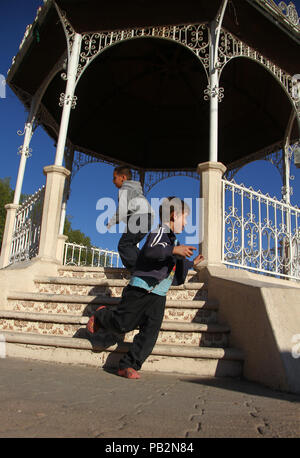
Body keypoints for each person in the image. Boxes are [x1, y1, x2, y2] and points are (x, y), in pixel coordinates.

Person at [87, 196, 204, 379]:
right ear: (173, 215)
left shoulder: (174, 243)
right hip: (140, 290)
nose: (187, 222)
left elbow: (173, 265)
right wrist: (173, 251)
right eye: (186, 217)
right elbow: (151, 251)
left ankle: (128, 364)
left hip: (158, 296)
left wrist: (190, 264)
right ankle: (102, 316)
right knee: (123, 324)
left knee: (149, 334)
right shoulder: (159, 233)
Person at [106, 166, 154, 273]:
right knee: (130, 245)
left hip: (139, 216)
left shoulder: (124, 189)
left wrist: (111, 222)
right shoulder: (135, 189)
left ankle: (139, 273)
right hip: (149, 217)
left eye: (114, 178)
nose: (113, 181)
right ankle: (147, 265)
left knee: (123, 245)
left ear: (123, 177)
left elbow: (121, 210)